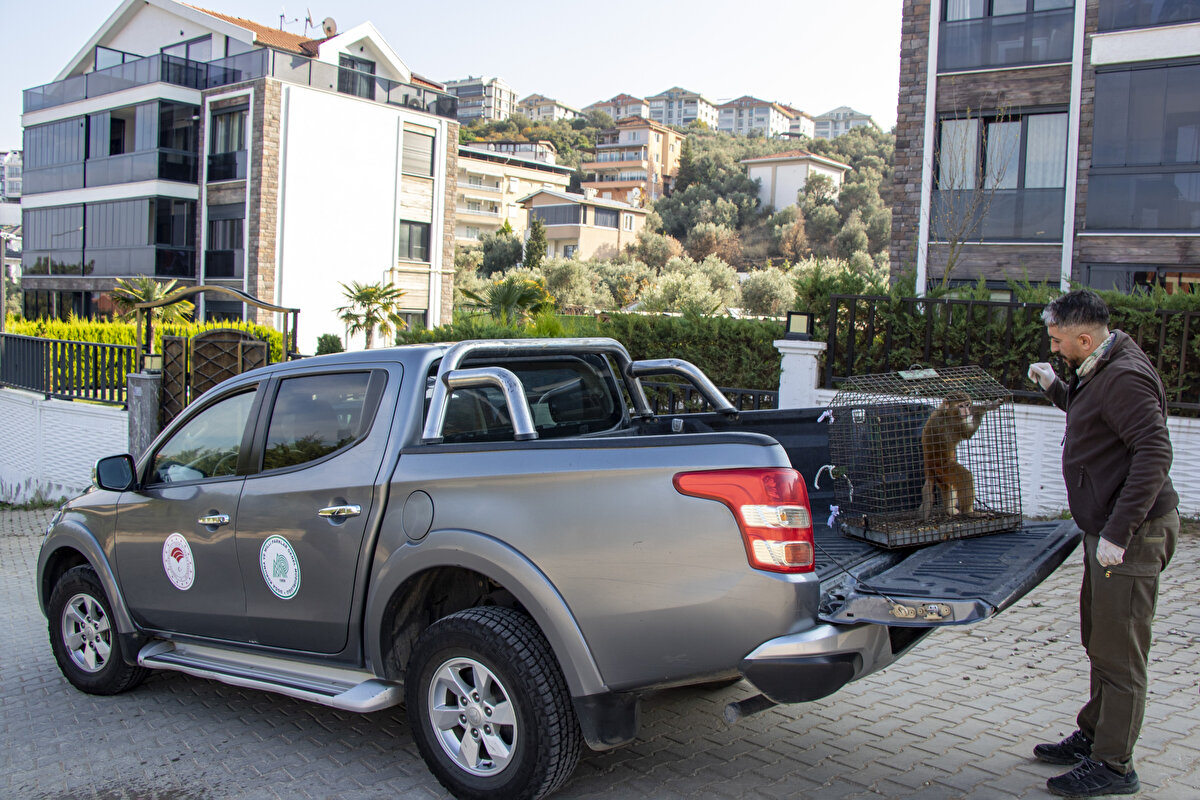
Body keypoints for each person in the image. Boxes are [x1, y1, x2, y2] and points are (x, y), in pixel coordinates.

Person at [1027, 289, 1178, 798]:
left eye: (1056, 342)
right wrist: (1056, 389)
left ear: (1084, 338)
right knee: (1100, 640)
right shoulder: (1100, 365)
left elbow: (1155, 452)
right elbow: (1099, 420)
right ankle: (1094, 734)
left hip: (1130, 535)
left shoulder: (1124, 377)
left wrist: (1119, 531)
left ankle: (1114, 766)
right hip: (1110, 530)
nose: (1053, 348)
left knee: (1121, 654)